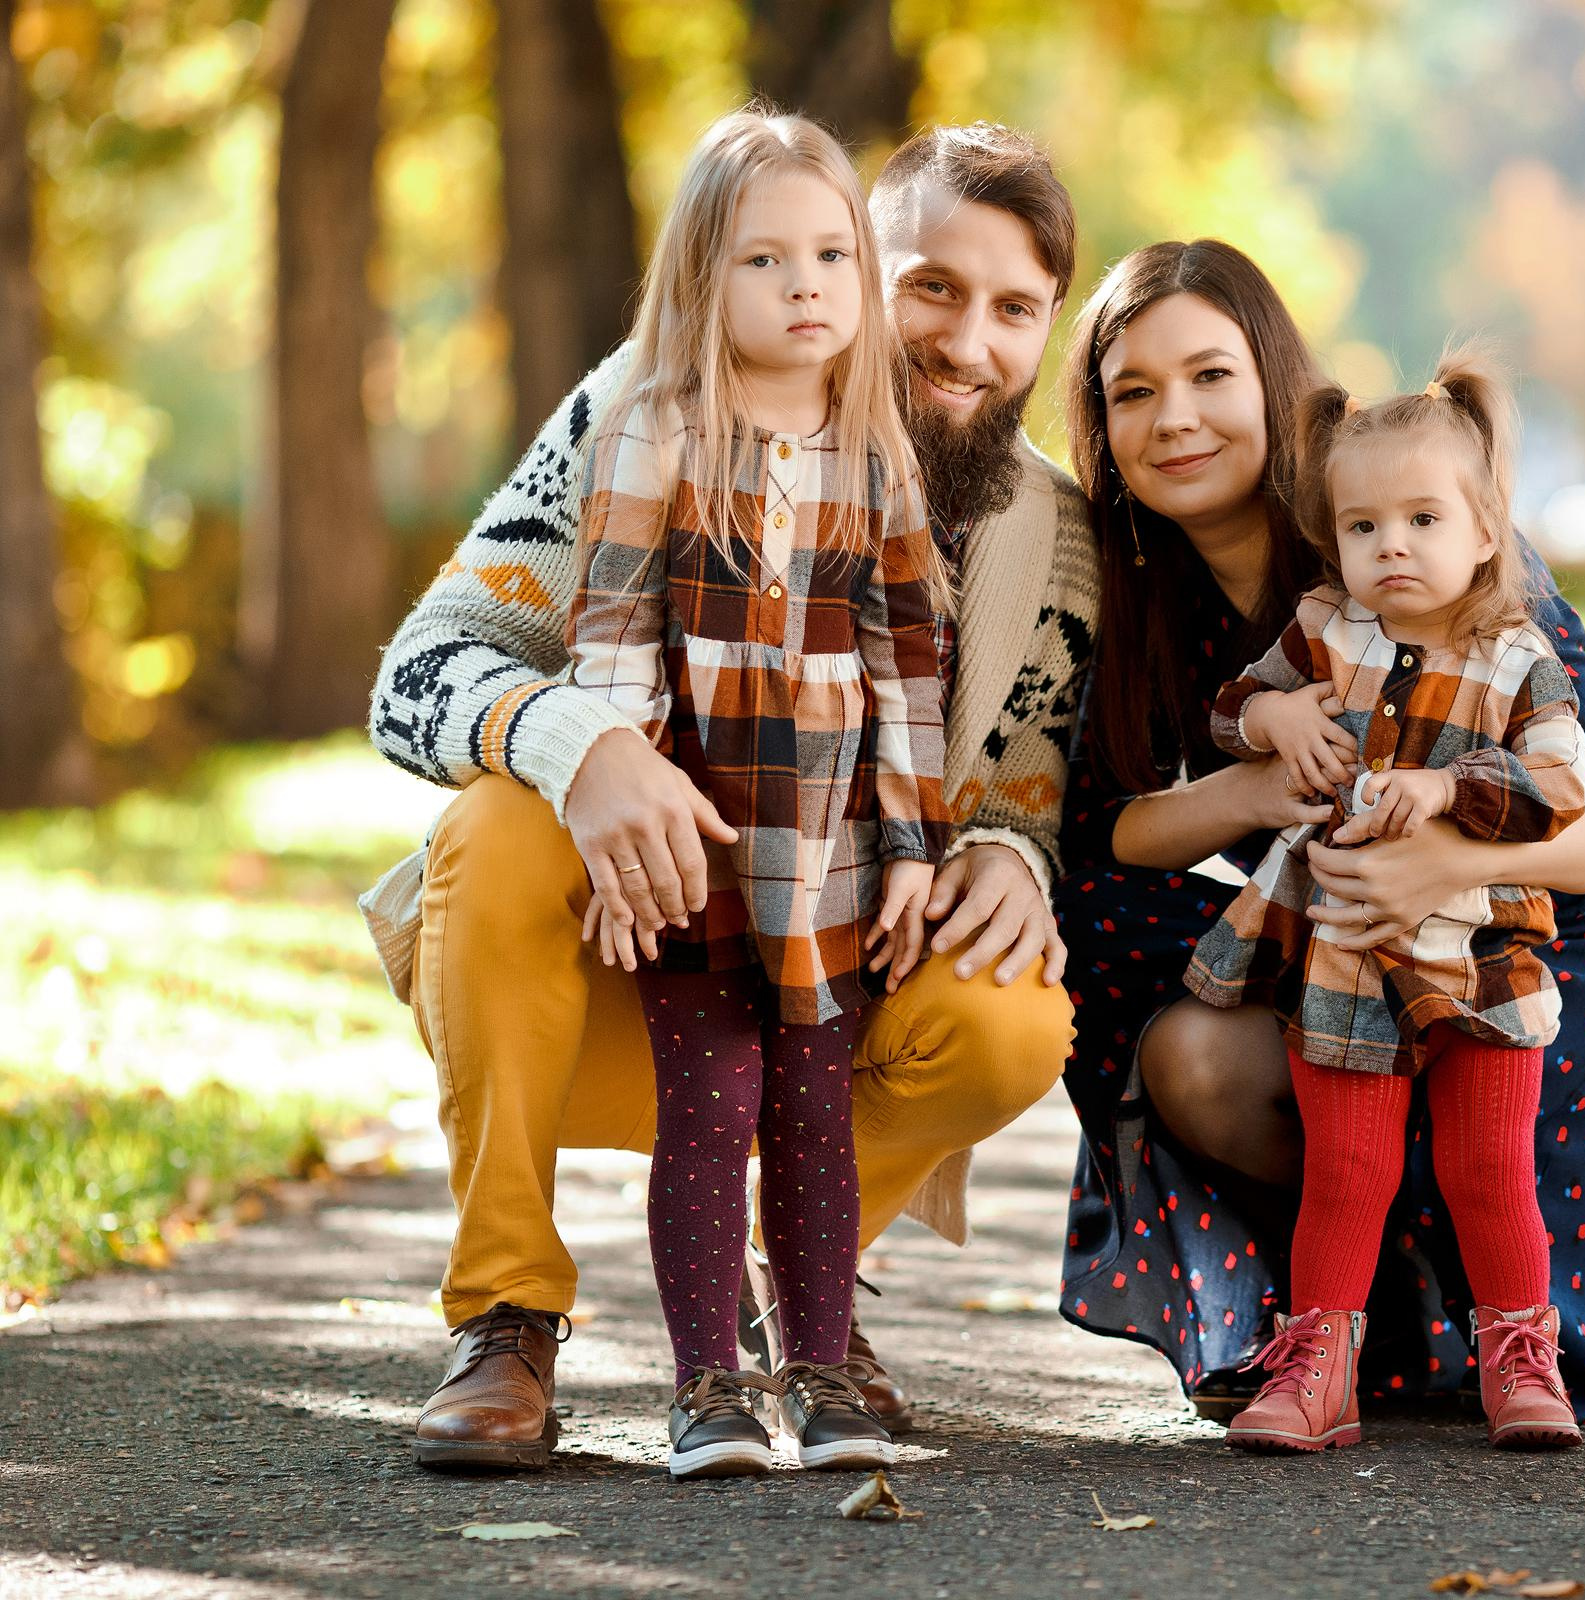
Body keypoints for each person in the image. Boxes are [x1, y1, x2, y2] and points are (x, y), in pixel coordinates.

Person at [361, 120, 1098, 1472]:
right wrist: (583, 744)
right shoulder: (636, 412)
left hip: (834, 954)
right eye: (928, 284)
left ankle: (802, 1311)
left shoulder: (1054, 543)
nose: (966, 343)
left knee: (1010, 1018)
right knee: (492, 827)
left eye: (1014, 309)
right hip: (616, 961)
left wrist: (1007, 854)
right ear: (841, 262)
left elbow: (1024, 787)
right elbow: (418, 673)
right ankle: (506, 1311)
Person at [1052, 239, 1585, 1426]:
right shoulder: (1141, 593)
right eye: (1132, 392)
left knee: (1487, 1137)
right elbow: (1099, 836)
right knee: (1106, 941)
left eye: (1208, 376)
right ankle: (1350, 1322)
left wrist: (1452, 853)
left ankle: (1495, 1331)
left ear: (1275, 382)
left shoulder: (1412, 517)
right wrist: (1247, 790)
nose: (1174, 418)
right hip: (1356, 956)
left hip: (1560, 948)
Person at [563, 106, 955, 1479]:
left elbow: (913, 668)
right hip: (702, 837)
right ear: (701, 280)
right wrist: (624, 847)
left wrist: (912, 848)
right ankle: (705, 1386)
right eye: (765, 261)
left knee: (815, 1107)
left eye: (833, 256)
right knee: (711, 1105)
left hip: (834, 846)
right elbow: (611, 642)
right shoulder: (658, 434)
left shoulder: (880, 451)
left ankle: (829, 1374)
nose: (806, 288)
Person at [1187, 351, 1585, 1454]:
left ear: (1483, 528)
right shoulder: (1326, 631)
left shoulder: (1520, 660)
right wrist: (1273, 725)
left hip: (1487, 955)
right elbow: (1232, 711)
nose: (1393, 545)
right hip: (1347, 955)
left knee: (1487, 1169)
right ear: (1334, 541)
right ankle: (1321, 1363)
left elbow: (1566, 784)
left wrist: (1452, 787)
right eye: (1364, 527)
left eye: (1422, 517)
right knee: (1348, 1169)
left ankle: (1521, 1357)